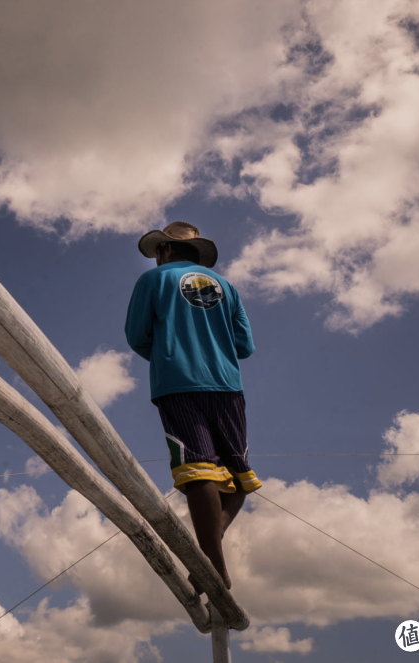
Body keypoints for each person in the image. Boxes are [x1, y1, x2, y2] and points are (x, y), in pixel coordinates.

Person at [124, 221, 261, 592]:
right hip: (228, 387)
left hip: (178, 385)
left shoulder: (152, 282)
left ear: (166, 250)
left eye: (157, 252)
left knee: (198, 469)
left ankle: (210, 564)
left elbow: (137, 336)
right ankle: (210, 556)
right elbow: (245, 347)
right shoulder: (227, 287)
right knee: (238, 480)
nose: (155, 258)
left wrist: (170, 355)